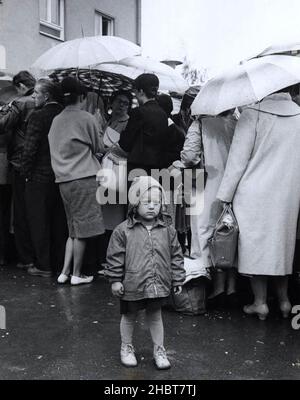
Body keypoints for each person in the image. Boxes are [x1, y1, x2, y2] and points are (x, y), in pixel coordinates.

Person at [217, 90, 300, 320]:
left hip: (253, 193)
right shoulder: (298, 116)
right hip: (288, 194)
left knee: (255, 247)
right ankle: (284, 301)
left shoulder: (252, 114)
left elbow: (237, 161)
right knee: (280, 247)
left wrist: (225, 196)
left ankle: (260, 303)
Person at [105, 176, 185, 369]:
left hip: (157, 284)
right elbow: (115, 256)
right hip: (132, 283)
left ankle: (159, 349)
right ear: (135, 203)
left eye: (156, 203)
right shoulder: (122, 230)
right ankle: (126, 347)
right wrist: (115, 280)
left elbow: (176, 255)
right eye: (146, 202)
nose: (152, 207)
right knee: (129, 316)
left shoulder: (168, 230)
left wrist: (178, 279)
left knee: (156, 315)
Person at [48, 77, 105, 285]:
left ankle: (64, 272)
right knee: (82, 230)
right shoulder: (87, 118)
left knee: (72, 229)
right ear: (82, 96)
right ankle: (77, 274)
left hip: (63, 179)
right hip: (83, 177)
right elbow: (99, 147)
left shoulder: (57, 119)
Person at [179, 112, 238, 307]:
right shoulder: (237, 122)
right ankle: (230, 287)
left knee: (202, 235)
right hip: (231, 185)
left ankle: (206, 289)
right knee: (226, 233)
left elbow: (188, 155)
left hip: (204, 185)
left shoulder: (200, 124)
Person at [21, 78, 67, 277]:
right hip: (62, 174)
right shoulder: (65, 114)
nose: (33, 96)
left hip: (39, 176)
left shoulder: (37, 116)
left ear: (46, 96)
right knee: (58, 221)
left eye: (37, 93)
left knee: (38, 221)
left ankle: (43, 265)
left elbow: (29, 148)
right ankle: (59, 262)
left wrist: (25, 173)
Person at [119, 73, 168, 177]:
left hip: (136, 168)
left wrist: (122, 135)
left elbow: (126, 144)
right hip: (156, 169)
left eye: (135, 93)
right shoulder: (164, 115)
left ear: (141, 91)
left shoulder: (138, 112)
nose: (135, 96)